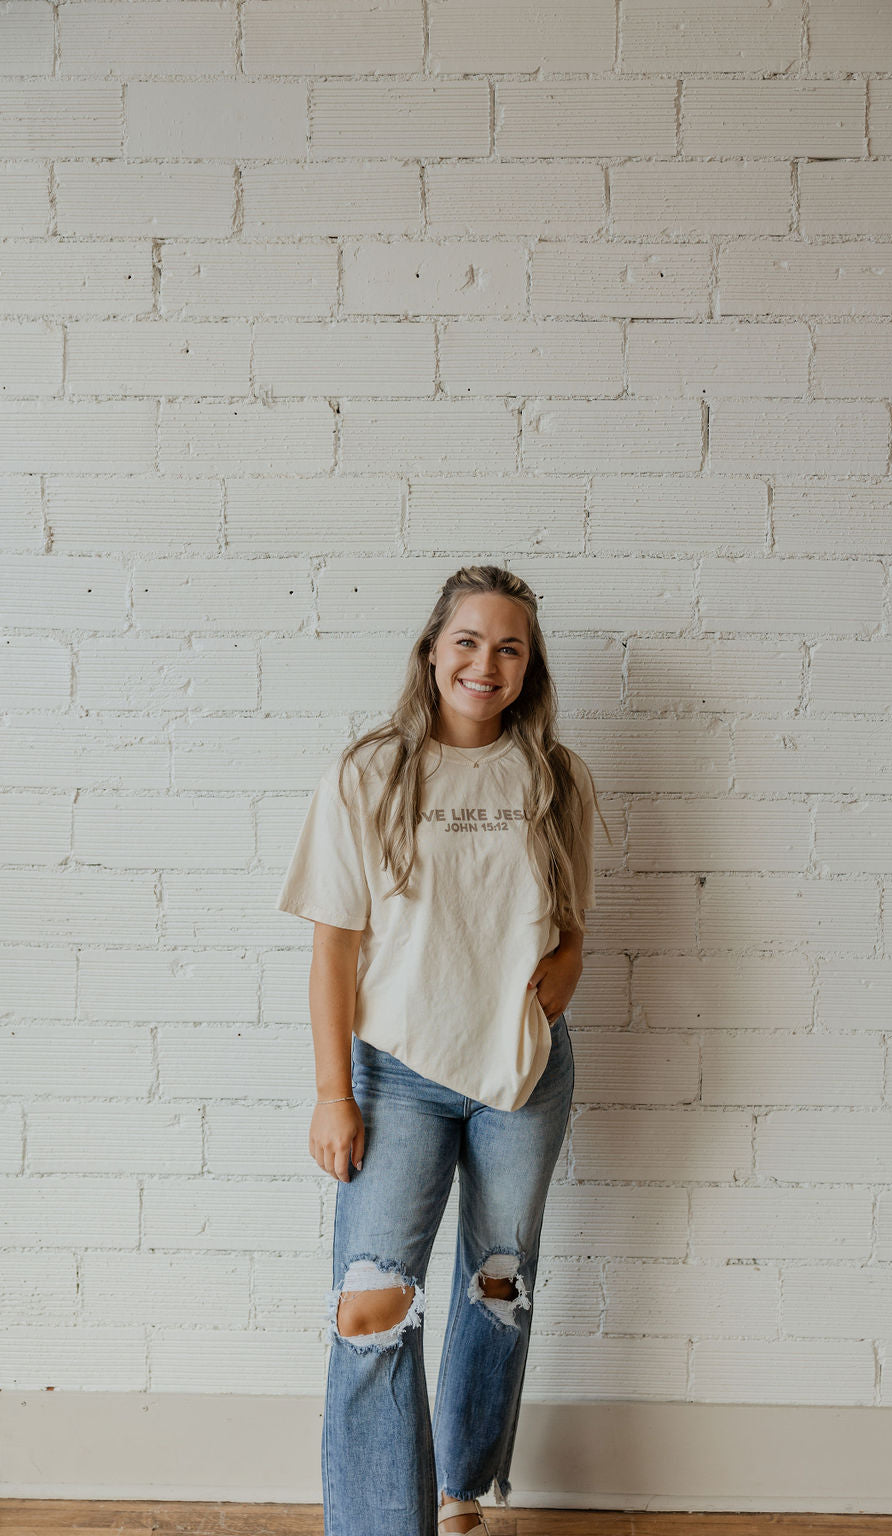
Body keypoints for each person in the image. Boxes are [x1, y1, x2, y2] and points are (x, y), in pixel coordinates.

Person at [275, 563, 608, 1536]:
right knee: (370, 1303)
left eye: (509, 648)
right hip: (395, 1074)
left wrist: (569, 965)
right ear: (431, 651)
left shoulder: (557, 778)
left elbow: (572, 918)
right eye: (467, 641)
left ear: (528, 668)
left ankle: (462, 1489)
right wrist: (332, 1093)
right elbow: (332, 950)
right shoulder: (368, 774)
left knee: (498, 1284)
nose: (485, 664)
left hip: (523, 1074)